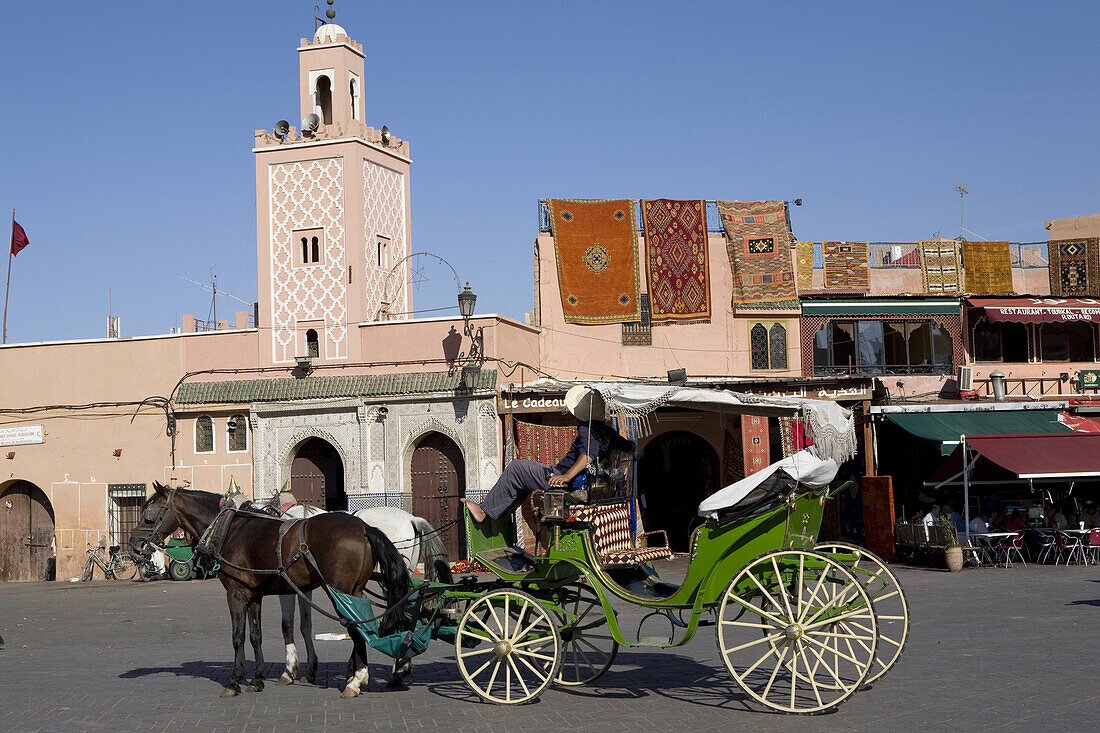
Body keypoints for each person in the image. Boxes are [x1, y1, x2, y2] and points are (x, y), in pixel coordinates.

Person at [463, 386, 634, 523]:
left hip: (567, 480)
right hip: (587, 485)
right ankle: (496, 504)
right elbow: (629, 448)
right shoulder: (608, 432)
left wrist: (567, 476)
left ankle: (483, 511)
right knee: (523, 479)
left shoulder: (586, 428)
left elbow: (587, 455)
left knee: (516, 468)